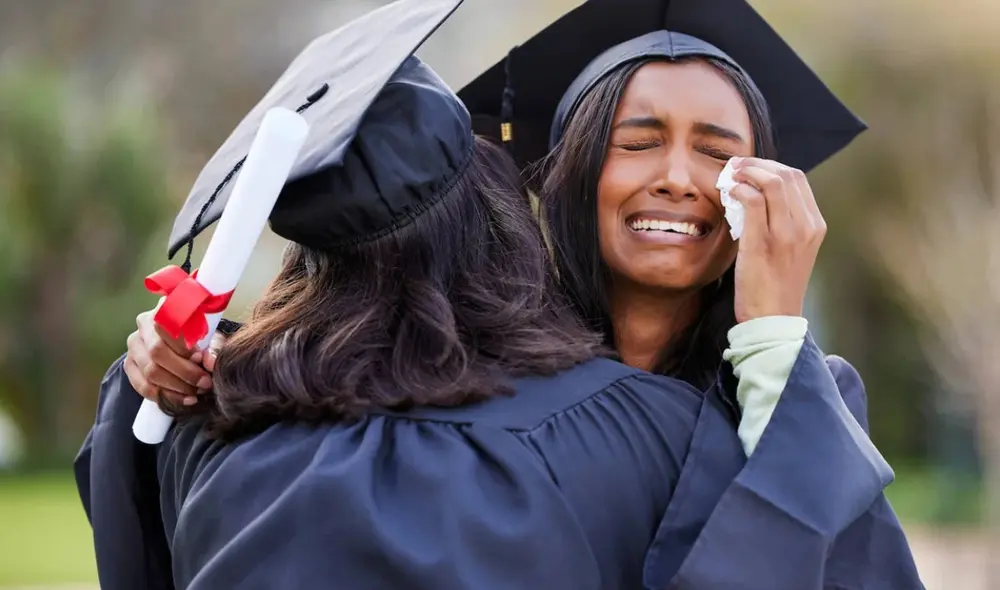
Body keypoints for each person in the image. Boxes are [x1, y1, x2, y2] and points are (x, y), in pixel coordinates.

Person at [76, 1, 722, 588]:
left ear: (307, 257)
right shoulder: (646, 432)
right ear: (494, 211)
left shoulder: (203, 417)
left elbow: (135, 534)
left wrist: (163, 372)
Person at [458, 0, 924, 588]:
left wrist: (771, 335)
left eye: (718, 155)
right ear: (565, 175)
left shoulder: (797, 398)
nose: (678, 179)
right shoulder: (472, 387)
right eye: (636, 143)